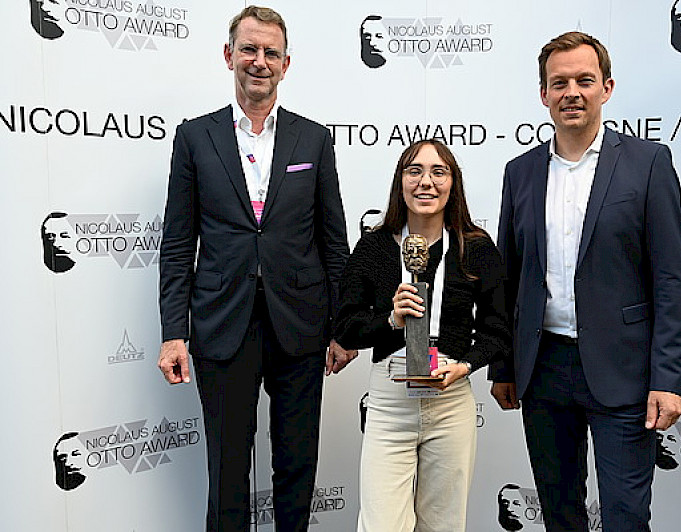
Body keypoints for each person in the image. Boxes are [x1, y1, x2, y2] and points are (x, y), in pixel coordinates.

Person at [157, 6, 355, 532]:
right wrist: (174, 334)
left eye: (271, 52)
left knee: (296, 467)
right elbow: (178, 246)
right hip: (223, 326)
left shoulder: (313, 139)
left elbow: (333, 242)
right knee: (226, 473)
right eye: (249, 49)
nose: (259, 61)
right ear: (229, 56)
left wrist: (343, 326)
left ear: (286, 64)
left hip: (301, 326)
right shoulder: (195, 138)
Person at [491, 32, 681, 532]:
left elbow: (670, 278)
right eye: (559, 83)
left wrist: (667, 380)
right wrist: (503, 366)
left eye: (584, 80)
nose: (571, 92)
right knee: (560, 515)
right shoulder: (520, 173)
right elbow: (508, 278)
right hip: (544, 369)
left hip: (624, 371)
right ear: (543, 95)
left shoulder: (648, 163)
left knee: (625, 516)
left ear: (607, 87)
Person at [334, 139, 511, 532]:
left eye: (438, 171)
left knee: (443, 525)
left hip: (450, 400)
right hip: (389, 401)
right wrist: (392, 321)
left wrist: (465, 366)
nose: (425, 182)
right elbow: (345, 327)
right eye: (414, 171)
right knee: (380, 525)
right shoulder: (374, 247)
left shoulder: (476, 247)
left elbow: (498, 330)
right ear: (400, 182)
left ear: (453, 184)